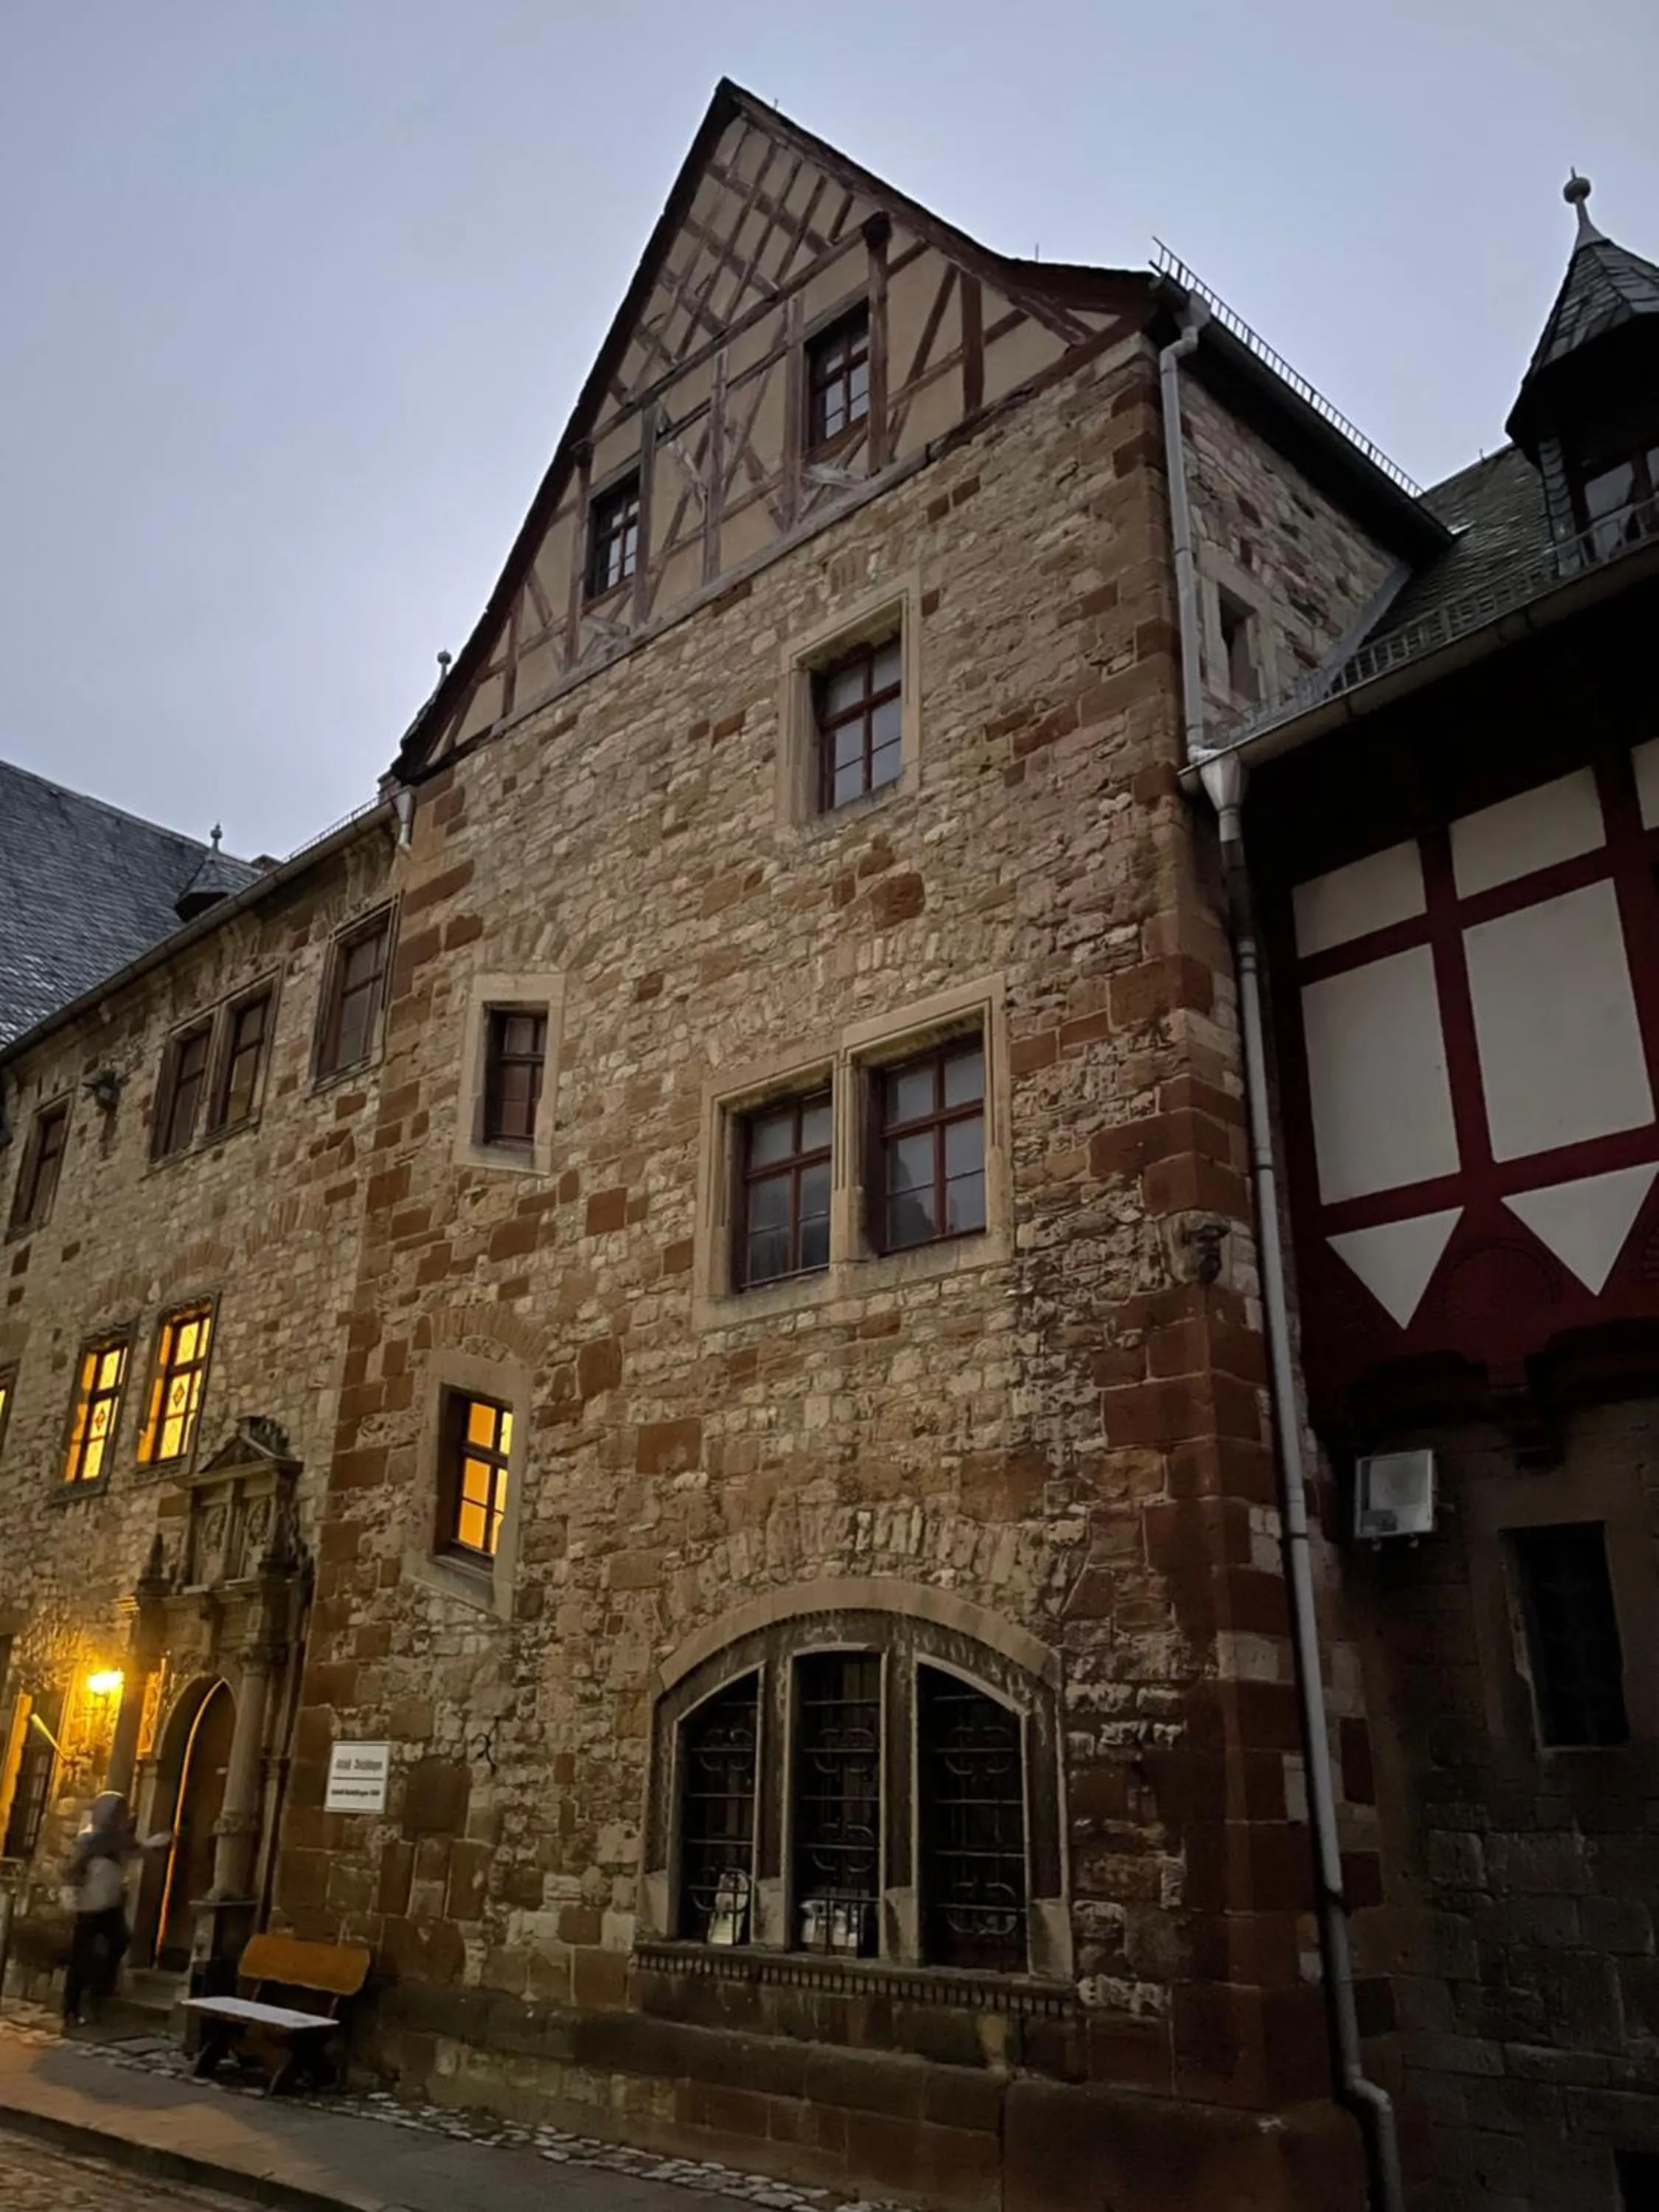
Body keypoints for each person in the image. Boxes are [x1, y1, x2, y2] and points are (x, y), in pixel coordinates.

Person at [60, 1791, 170, 2029]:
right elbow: (74, 1871)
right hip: (89, 1906)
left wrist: (156, 1843)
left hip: (109, 1905)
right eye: (118, 1811)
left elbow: (136, 1850)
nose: (122, 1816)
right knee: (81, 1958)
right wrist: (74, 1896)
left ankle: (100, 1985)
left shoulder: (118, 1838)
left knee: (119, 1940)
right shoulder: (90, 1839)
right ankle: (72, 2008)